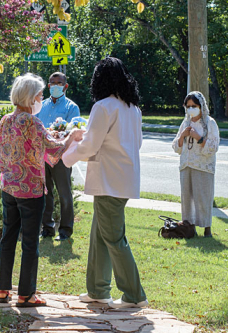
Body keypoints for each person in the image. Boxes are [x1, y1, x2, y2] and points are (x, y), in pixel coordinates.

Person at [62, 57, 147, 309]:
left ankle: (134, 294)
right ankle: (98, 289)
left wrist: (65, 157)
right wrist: (84, 136)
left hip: (109, 181)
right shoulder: (132, 107)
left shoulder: (103, 106)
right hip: (122, 180)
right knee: (100, 236)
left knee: (113, 238)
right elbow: (130, 143)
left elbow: (91, 145)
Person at [0, 73, 84, 307]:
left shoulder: (5, 120)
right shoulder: (32, 122)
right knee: (30, 243)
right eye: (40, 94)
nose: (42, 98)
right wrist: (71, 137)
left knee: (7, 239)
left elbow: (6, 153)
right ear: (30, 97)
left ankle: (3, 290)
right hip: (31, 190)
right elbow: (54, 151)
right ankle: (26, 294)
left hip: (9, 187)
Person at [35, 72, 81, 241]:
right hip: (43, 155)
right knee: (45, 193)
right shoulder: (40, 105)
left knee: (64, 193)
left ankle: (65, 230)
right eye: (52, 83)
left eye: (59, 83)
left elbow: (73, 133)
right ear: (48, 86)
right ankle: (47, 228)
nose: (55, 86)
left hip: (61, 157)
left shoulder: (71, 107)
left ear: (65, 86)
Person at [171, 92, 220, 238]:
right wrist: (182, 136)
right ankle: (188, 226)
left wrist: (198, 137)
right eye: (188, 106)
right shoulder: (185, 123)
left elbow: (213, 147)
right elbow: (176, 146)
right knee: (187, 197)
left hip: (203, 166)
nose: (191, 109)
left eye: (194, 106)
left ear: (201, 106)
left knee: (203, 197)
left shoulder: (209, 123)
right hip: (186, 165)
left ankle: (207, 228)